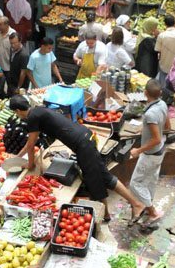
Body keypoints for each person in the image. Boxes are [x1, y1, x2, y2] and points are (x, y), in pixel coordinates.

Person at [10, 95, 146, 222]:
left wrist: (30, 164)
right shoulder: (38, 110)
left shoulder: (32, 117)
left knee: (94, 181)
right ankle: (110, 213)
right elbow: (30, 143)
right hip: (86, 136)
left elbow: (31, 144)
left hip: (82, 145)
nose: (17, 115)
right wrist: (17, 157)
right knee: (102, 177)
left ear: (18, 111)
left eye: (16, 113)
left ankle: (134, 205)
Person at [129, 80, 170, 224]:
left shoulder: (150, 114)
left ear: (145, 93)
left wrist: (138, 150)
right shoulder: (163, 104)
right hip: (160, 151)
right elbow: (167, 126)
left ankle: (152, 212)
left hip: (150, 154)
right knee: (151, 179)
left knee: (135, 184)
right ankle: (149, 206)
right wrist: (146, 129)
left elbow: (156, 139)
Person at [154, 15, 175, 85]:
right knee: (174, 84)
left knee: (163, 84)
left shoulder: (161, 35)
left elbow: (157, 50)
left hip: (164, 64)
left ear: (165, 24)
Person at [0, 17, 17, 84]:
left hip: (7, 66)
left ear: (7, 24)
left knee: (9, 85)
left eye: (0, 24)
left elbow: (15, 50)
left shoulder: (13, 33)